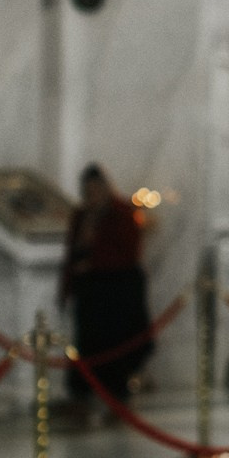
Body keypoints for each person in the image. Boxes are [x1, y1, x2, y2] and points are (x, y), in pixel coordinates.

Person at [58, 165, 157, 410]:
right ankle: (82, 398)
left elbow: (127, 253)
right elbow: (72, 253)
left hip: (115, 294)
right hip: (90, 295)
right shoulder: (81, 215)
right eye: (87, 191)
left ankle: (116, 398)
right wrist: (66, 288)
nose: (91, 195)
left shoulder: (121, 213)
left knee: (115, 351)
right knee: (88, 348)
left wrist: (93, 263)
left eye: (95, 190)